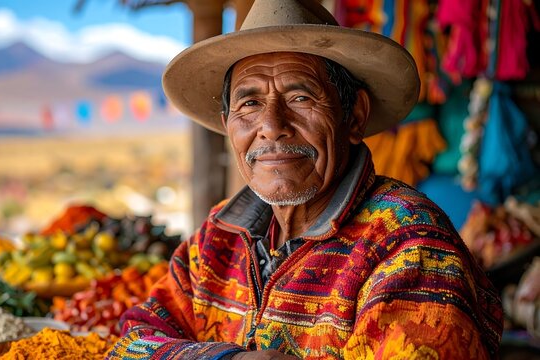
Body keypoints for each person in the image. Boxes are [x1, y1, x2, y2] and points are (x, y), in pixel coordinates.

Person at [107, 0, 503, 359]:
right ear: (228, 126)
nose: (272, 126)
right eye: (249, 103)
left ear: (354, 117)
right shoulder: (217, 238)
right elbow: (132, 340)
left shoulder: (410, 245)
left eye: (301, 98)